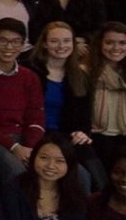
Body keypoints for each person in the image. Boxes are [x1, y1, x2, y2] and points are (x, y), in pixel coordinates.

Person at [28, 22, 103, 190]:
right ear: (45, 44)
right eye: (55, 41)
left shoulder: (80, 75)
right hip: (38, 134)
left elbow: (85, 114)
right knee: (81, 177)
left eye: (67, 41)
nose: (61, 46)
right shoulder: (30, 71)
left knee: (93, 167)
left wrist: (83, 133)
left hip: (67, 134)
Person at [0, 18, 45, 183]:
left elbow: (36, 117)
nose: (9, 47)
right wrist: (14, 147)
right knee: (18, 173)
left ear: (22, 46)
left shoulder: (30, 77)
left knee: (78, 174)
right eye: (3, 41)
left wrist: (29, 147)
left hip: (25, 141)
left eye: (16, 42)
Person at [89, 22, 126, 168]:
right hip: (96, 136)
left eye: (122, 43)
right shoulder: (87, 70)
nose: (116, 48)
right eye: (109, 42)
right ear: (100, 44)